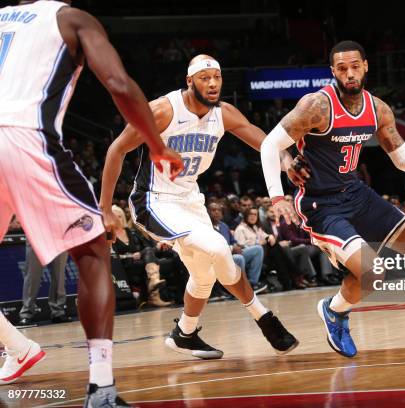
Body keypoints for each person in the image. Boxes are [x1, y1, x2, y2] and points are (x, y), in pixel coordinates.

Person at [0, 1, 183, 405]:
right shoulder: (70, 18)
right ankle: (101, 386)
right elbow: (118, 83)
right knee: (93, 251)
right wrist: (155, 144)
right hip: (24, 135)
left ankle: (18, 347)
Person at [260, 40, 405, 357]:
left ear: (365, 66)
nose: (349, 74)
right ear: (333, 72)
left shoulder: (378, 108)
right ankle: (334, 310)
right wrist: (277, 197)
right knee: (372, 272)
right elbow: (269, 145)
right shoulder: (317, 106)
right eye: (342, 68)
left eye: (354, 67)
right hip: (321, 203)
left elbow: (403, 159)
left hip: (356, 193)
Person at [101, 55, 299, 362]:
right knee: (219, 247)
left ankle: (185, 333)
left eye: (216, 77)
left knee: (204, 274)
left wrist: (286, 161)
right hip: (154, 200)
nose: (212, 83)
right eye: (204, 78)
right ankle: (264, 318)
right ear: (189, 81)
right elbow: (116, 150)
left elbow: (262, 140)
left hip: (191, 199)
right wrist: (104, 209)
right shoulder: (162, 111)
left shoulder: (224, 114)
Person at [110, 205, 172, 307]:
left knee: (155, 254)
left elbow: (147, 249)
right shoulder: (109, 236)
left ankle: (155, 284)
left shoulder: (132, 233)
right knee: (150, 257)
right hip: (125, 264)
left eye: (120, 216)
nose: (118, 219)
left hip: (142, 260)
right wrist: (130, 256)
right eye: (115, 216)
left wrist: (156, 248)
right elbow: (112, 255)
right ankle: (154, 294)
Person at [19, 239, 70, 326]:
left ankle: (58, 312)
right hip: (36, 233)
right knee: (32, 274)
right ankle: (27, 312)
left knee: (59, 274)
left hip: (59, 234)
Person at [226, 208, 267, 293]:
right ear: (246, 216)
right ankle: (253, 283)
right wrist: (257, 243)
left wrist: (269, 237)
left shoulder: (255, 227)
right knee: (258, 248)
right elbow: (240, 245)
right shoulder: (241, 228)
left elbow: (264, 235)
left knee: (267, 247)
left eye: (255, 214)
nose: (253, 217)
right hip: (242, 253)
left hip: (251, 254)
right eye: (250, 214)